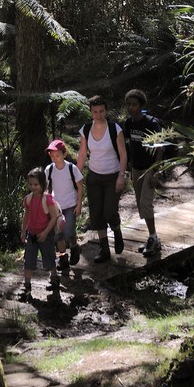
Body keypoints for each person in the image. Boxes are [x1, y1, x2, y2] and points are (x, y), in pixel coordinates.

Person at [77, 95, 128, 262]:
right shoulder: (85, 130)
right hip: (94, 177)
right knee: (97, 214)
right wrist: (76, 175)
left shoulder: (115, 129)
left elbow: (123, 154)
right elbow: (83, 154)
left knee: (109, 212)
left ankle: (117, 232)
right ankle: (104, 249)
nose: (98, 114)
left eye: (101, 111)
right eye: (95, 111)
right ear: (91, 112)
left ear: (106, 111)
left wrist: (121, 175)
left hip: (113, 176)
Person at [122, 89, 164, 255]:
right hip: (136, 168)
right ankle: (153, 238)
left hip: (149, 168)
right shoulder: (129, 123)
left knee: (146, 203)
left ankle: (153, 237)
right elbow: (126, 144)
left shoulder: (151, 123)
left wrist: (156, 171)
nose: (131, 107)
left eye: (134, 104)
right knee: (140, 205)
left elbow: (161, 148)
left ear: (141, 105)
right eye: (129, 104)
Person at [20, 167, 62, 298]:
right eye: (31, 184)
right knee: (28, 261)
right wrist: (23, 231)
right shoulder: (27, 199)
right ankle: (26, 287)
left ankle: (54, 278)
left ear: (43, 184)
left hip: (46, 234)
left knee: (48, 258)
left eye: (36, 184)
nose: (33, 187)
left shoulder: (47, 199)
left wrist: (45, 233)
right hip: (32, 234)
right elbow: (26, 215)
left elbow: (54, 217)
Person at [44, 138, 84, 271]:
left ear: (64, 154)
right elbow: (46, 188)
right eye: (52, 156)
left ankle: (74, 246)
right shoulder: (49, 170)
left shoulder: (71, 169)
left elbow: (79, 187)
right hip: (56, 208)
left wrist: (79, 205)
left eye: (58, 155)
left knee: (68, 232)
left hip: (71, 205)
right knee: (57, 235)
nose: (55, 158)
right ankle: (63, 259)